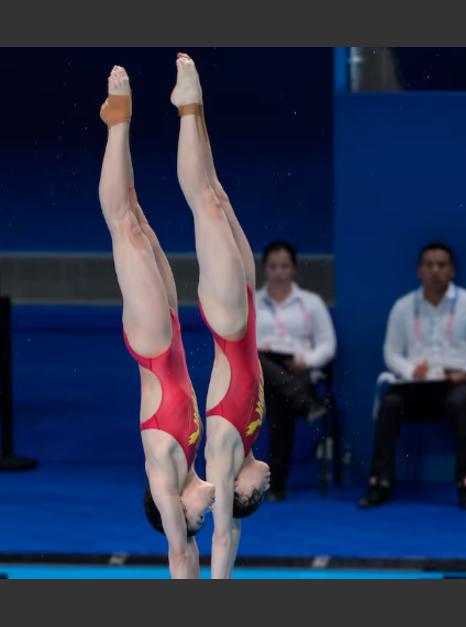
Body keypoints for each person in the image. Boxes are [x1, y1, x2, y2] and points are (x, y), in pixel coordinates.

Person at [98, 65, 214, 579]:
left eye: (198, 521)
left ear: (176, 515)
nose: (205, 517)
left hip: (150, 344)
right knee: (139, 219)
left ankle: (117, 122)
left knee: (123, 227)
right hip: (170, 335)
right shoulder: (191, 461)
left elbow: (180, 555)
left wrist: (182, 541)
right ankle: (123, 124)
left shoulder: (167, 480)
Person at [172, 52, 270, 579]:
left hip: (228, 322)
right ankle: (196, 108)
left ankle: (188, 105)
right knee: (218, 195)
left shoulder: (225, 458)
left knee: (204, 205)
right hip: (245, 312)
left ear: (238, 490)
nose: (266, 489)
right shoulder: (250, 439)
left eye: (257, 497)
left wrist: (220, 584)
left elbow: (225, 531)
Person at [358, 242, 466, 511]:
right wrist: (409, 371)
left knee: (459, 402)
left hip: (455, 382)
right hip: (416, 385)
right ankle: (380, 483)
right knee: (391, 404)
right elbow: (392, 352)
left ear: (452, 270)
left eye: (442, 265)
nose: (435, 271)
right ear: (419, 271)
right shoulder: (403, 306)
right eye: (429, 265)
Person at [255, 240, 337, 502]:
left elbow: (328, 344)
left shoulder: (310, 303)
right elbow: (242, 344)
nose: (279, 272)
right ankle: (305, 404)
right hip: (263, 374)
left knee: (281, 399)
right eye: (273, 266)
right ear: (265, 269)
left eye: (284, 266)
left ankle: (277, 484)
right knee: (261, 361)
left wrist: (307, 359)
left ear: (294, 269)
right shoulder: (253, 303)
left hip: (299, 370)